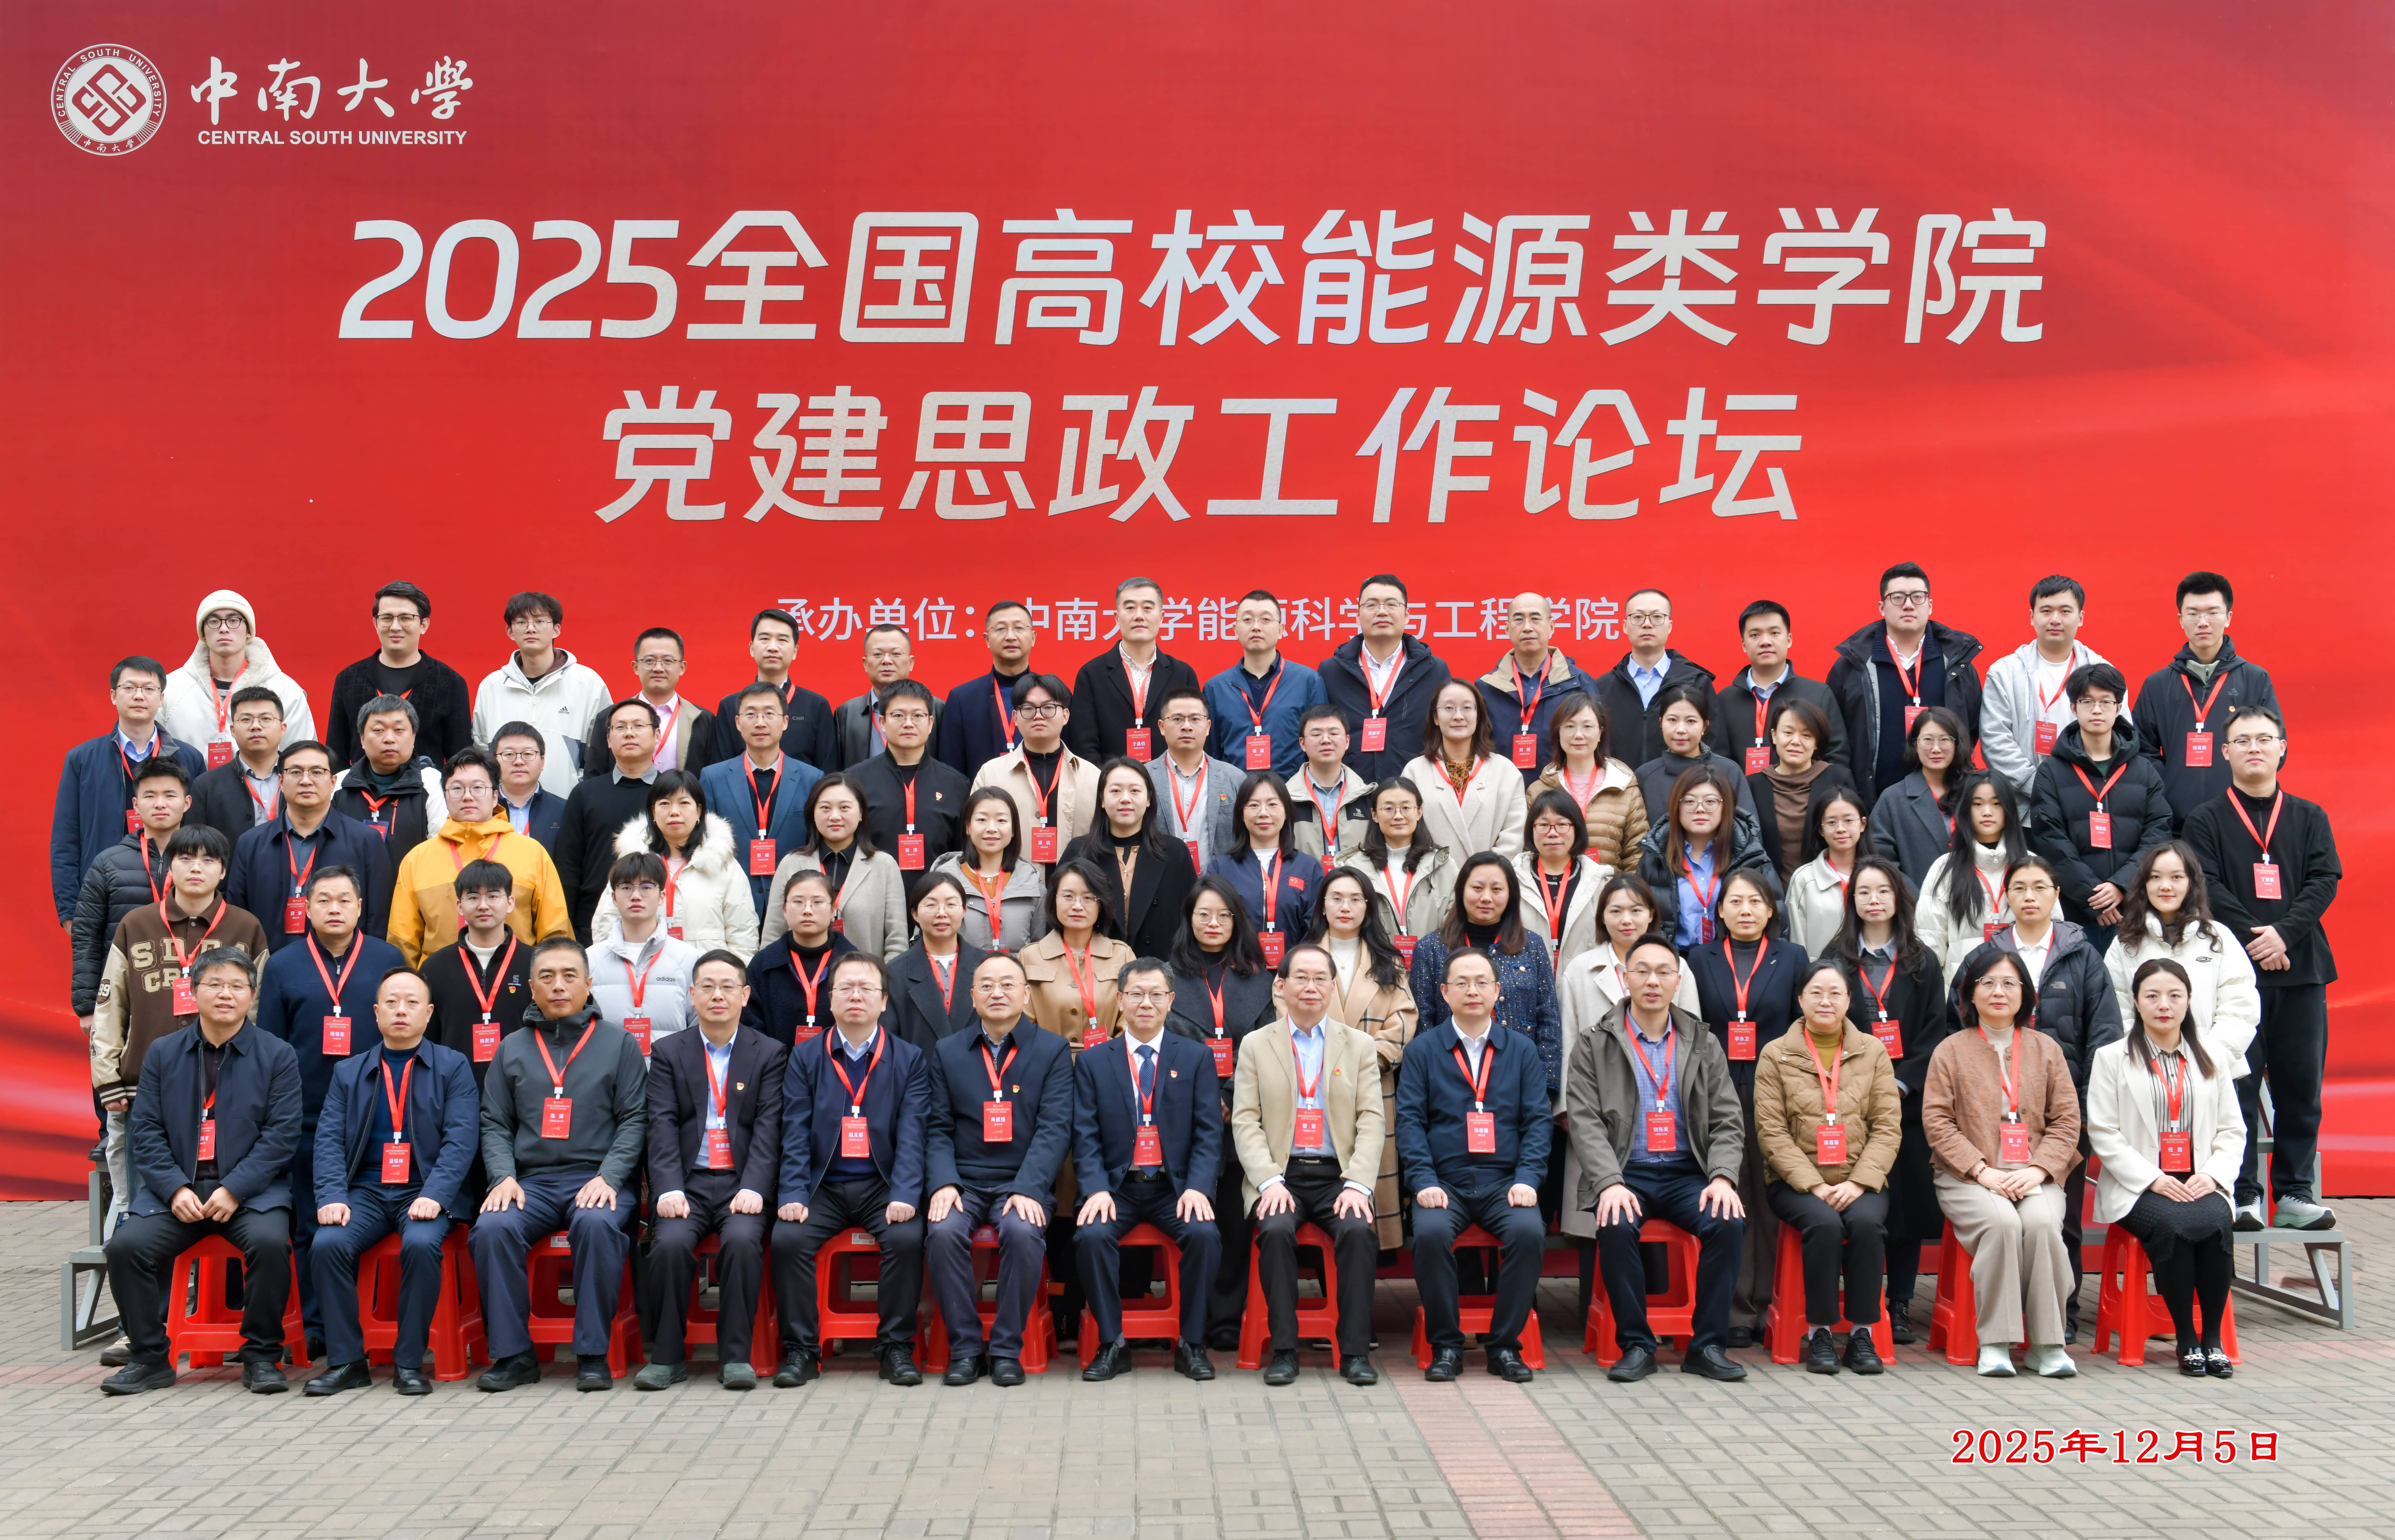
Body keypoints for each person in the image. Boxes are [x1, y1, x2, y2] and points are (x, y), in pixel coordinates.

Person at [98, 950, 302, 1396]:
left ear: (252, 995)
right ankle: (150, 1357)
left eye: (236, 986)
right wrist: (175, 1189)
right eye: (214, 984)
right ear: (194, 992)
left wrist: (235, 1188)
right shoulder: (163, 1052)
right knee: (125, 1248)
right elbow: (146, 1132)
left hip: (250, 1194)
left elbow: (282, 1136)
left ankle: (261, 1355)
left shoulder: (277, 1054)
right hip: (179, 1194)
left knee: (270, 1244)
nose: (225, 994)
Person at [2180, 704, 2340, 1231]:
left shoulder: (2309, 816)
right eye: (2242, 740)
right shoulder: (2204, 820)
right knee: (2237, 1087)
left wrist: (2283, 934)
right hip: (2233, 972)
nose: (2254, 747)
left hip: (2301, 970)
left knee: (2300, 1087)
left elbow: (2323, 880)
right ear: (2224, 752)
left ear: (2281, 748)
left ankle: (2294, 1192)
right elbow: (2205, 885)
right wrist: (2257, 938)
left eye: (2264, 738)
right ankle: (2242, 1192)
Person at [471, 938, 649, 1392]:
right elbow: (494, 1122)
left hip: (597, 1178)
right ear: (531, 987)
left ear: (588, 984)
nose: (558, 986)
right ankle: (514, 1355)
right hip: (530, 1182)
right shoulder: (512, 1048)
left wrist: (610, 1176)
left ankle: (592, 1354)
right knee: (492, 1228)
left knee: (595, 1224)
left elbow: (635, 1119)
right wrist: (502, 1176)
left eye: (570, 975)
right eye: (546, 977)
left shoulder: (619, 1044)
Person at [1566, 936, 1746, 1382]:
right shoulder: (1594, 1043)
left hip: (1689, 1174)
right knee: (1615, 1223)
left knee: (1727, 1222)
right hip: (1626, 1173)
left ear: (1677, 981)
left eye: (1663, 972)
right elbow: (1585, 1122)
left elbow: (1727, 1118)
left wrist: (1722, 1177)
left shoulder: (1702, 1042)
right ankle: (1636, 1344)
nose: (1652, 981)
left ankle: (1706, 1346)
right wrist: (1609, 1182)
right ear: (1624, 978)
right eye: (1642, 971)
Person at [302, 966, 481, 1396]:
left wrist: (436, 1195)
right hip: (365, 1191)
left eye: (412, 1003)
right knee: (327, 1245)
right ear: (376, 1012)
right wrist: (332, 1195)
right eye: (392, 1002)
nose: (401, 1010)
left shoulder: (452, 1066)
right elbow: (327, 1139)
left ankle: (409, 1362)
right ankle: (347, 1361)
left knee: (420, 1244)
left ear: (428, 1013)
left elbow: (462, 1139)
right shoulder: (349, 1072)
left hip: (424, 1189)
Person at [89, 825, 272, 1238]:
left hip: (227, 1089)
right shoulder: (136, 924)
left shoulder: (245, 927)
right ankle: (146, 1276)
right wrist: (108, 1079)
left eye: (208, 859)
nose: (196, 868)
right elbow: (110, 1006)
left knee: (221, 1204)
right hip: (144, 1089)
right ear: (168, 866)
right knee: (147, 1204)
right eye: (185, 858)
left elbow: (259, 1010)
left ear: (223, 871)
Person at [256, 865, 407, 1351]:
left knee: (375, 1219)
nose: (335, 909)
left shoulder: (387, 959)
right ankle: (318, 1325)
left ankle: (377, 1314)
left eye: (344, 900)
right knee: (311, 1221)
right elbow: (271, 1047)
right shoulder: (283, 965)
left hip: (381, 1116)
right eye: (324, 900)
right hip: (307, 1116)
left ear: (361, 907)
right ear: (307, 908)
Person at [1921, 946, 2081, 1377]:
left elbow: (2067, 1120)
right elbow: (1936, 1121)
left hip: (2034, 1173)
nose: (1998, 992)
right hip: (1968, 1175)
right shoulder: (1950, 1050)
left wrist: (2039, 1169)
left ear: (2025, 994)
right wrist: (1981, 1170)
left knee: (2043, 1225)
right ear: (1969, 994)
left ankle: (2047, 1344)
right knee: (2002, 1224)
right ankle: (1994, 1342)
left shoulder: (2046, 1049)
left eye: (2009, 983)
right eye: (1987, 983)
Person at [770, 953, 929, 1386]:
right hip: (823, 1186)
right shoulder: (806, 1056)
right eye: (846, 987)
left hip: (882, 1185)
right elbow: (794, 1131)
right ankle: (802, 1350)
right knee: (787, 1239)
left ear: (884, 1001)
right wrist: (793, 1194)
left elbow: (913, 1133)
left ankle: (895, 1347)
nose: (856, 995)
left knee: (906, 1237)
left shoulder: (908, 1059)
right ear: (831, 998)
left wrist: (905, 1193)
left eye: (866, 988)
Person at [1231, 944, 1384, 1385]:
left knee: (1358, 1233)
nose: (1311, 986)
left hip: (1339, 1177)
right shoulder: (1256, 1044)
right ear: (1280, 985)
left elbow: (1371, 1120)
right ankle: (1284, 1350)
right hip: (1282, 1176)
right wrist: (1268, 1181)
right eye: (1301, 977)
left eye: (1321, 978)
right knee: (1276, 1230)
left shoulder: (1358, 1045)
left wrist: (1358, 1184)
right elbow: (1245, 1120)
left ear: (1333, 987)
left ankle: (1354, 1351)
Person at [2085, 959, 2245, 1378]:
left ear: (2189, 1000)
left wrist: (2212, 1175)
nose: (2164, 1005)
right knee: (2174, 1225)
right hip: (2138, 1185)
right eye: (2152, 996)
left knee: (2215, 1222)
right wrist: (2152, 1178)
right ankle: (2186, 1338)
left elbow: (2232, 1128)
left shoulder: (2211, 1054)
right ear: (2136, 1002)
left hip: (2200, 1178)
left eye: (2174, 996)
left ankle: (2212, 1338)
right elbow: (2103, 1131)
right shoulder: (2111, 1057)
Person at [1399, 947, 1552, 1383]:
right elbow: (1409, 1122)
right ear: (1444, 992)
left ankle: (1504, 1346)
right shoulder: (1423, 1050)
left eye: (1482, 982)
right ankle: (1446, 1345)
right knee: (1430, 1236)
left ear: (1497, 990)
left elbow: (1537, 1122)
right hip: (1443, 1184)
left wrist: (1528, 1179)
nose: (1472, 990)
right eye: (1461, 983)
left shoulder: (1520, 1050)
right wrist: (1423, 1181)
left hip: (1504, 1182)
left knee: (1528, 1233)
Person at [923, 953, 1075, 1386]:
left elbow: (1054, 1127)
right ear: (972, 997)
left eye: (1008, 984)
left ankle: (1007, 1349)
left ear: (1026, 995)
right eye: (986, 985)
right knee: (942, 1232)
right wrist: (944, 1183)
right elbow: (937, 1127)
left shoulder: (1051, 1050)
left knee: (1023, 1233)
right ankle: (966, 1349)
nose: (997, 993)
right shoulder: (948, 1051)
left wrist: (1028, 1187)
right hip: (964, 1181)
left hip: (1021, 1180)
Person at [639, 950, 788, 1391]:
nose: (717, 995)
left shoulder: (769, 1052)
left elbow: (769, 1128)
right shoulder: (669, 1051)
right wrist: (668, 1188)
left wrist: (756, 1187)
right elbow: (661, 1124)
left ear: (745, 995)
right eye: (707, 986)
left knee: (742, 1243)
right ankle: (667, 1357)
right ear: (692, 994)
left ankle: (736, 1356)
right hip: (688, 1183)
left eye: (727, 987)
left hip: (742, 1184)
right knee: (668, 1246)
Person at [1988, 852, 2123, 1335]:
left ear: (2056, 894)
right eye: (2019, 887)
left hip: (2062, 1112)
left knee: (2060, 1214)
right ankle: (2008, 1311)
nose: (2029, 896)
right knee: (2004, 1210)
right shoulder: (1988, 956)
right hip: (1997, 1108)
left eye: (2039, 887)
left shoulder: (2081, 955)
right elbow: (1958, 1027)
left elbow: (2104, 1035)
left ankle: (2061, 1310)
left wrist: (2085, 1106)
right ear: (2006, 896)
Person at [1071, 956, 1223, 1381]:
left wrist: (1198, 1187)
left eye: (1156, 994)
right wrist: (1095, 1188)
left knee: (1204, 1235)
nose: (1146, 1003)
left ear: (1171, 1001)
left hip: (1173, 1188)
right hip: (1117, 1187)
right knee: (1091, 1236)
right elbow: (1084, 1134)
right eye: (1136, 994)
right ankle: (1112, 1343)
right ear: (1119, 1000)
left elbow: (1209, 1132)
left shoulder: (1195, 1057)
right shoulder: (1093, 1061)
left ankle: (1191, 1343)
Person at [1752, 961, 1900, 1373]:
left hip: (1859, 1180)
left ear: (1849, 1001)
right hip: (1795, 1184)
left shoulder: (1872, 1051)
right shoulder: (1776, 1054)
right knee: (1825, 1225)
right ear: (1800, 999)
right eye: (1815, 992)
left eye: (1835, 993)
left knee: (1867, 1225)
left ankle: (1861, 1334)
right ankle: (1819, 1332)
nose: (1825, 1001)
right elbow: (1771, 1131)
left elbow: (1887, 1126)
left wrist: (1859, 1182)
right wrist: (1813, 1185)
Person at [1831, 857, 1956, 1340]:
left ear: (1898, 898)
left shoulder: (1921, 961)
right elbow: (1825, 1025)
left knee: (1903, 1207)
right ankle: (1857, 1300)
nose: (1874, 900)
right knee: (1856, 1204)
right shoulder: (1836, 958)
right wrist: (1858, 1085)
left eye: (1882, 890)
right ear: (1852, 901)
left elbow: (1933, 1031)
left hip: (1906, 1105)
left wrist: (1901, 1083)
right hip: (1848, 1101)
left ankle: (1899, 1301)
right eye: (1863, 892)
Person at [1683, 868, 1809, 1341]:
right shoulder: (1699, 958)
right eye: (1735, 901)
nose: (1745, 910)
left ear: (1771, 908)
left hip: (1774, 1092)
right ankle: (1734, 1311)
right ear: (1719, 910)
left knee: (1769, 1197)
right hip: (1716, 1095)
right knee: (1726, 1195)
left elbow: (1800, 1024)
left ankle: (1769, 1304)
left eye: (1755, 901)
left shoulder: (1791, 956)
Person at [1164, 878, 1279, 1347]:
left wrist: (1230, 1096)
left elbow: (1269, 1049)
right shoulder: (1168, 978)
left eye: (1223, 915)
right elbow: (1161, 1046)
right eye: (1203, 914)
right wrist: (1205, 1100)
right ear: (1188, 919)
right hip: (1181, 1114)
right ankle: (1185, 1315)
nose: (1213, 923)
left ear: (1237, 920)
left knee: (1233, 1218)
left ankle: (1226, 1318)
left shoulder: (1262, 980)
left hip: (1242, 1115)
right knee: (1190, 1215)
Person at [1310, 868, 1419, 1252]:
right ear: (1323, 906)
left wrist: (1363, 1061)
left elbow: (1404, 1019)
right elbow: (1286, 1013)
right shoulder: (1303, 958)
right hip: (1314, 1085)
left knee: (1370, 1174)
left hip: (1373, 1082)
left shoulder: (1389, 962)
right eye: (1337, 898)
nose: (1346, 907)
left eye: (1356, 899)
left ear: (1368, 907)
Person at [53, 656, 206, 928]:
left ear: (161, 698)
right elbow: (66, 838)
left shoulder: (189, 758)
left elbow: (202, 832)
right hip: (105, 895)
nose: (139, 696)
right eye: (129, 688)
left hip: (176, 894)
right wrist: (69, 910)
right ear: (113, 695)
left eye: (148, 689)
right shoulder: (83, 759)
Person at [387, 746, 571, 966]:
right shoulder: (417, 860)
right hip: (440, 982)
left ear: (495, 796)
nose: (467, 797)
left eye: (477, 788)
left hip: (518, 979)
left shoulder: (532, 853)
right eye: (457, 789)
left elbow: (555, 932)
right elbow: (403, 942)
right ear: (445, 796)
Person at [2133, 572, 2282, 829]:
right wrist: (2170, 788)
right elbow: (2141, 750)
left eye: (2212, 613)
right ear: (2181, 619)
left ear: (2228, 617)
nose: (2203, 622)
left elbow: (2275, 747)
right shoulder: (2157, 685)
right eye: (2193, 614)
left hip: (2241, 822)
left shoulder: (2254, 679)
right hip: (2175, 826)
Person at [1827, 563, 1985, 807]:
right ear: (1882, 607)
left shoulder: (1957, 664)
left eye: (1918, 597)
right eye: (1898, 597)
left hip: (1946, 803)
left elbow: (1971, 728)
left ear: (1930, 605)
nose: (1909, 605)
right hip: (1871, 802)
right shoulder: (1852, 666)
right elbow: (1834, 736)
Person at [2103, 842, 2261, 1080]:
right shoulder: (2125, 944)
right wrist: (2147, 1060)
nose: (2165, 886)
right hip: (2145, 1074)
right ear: (2144, 884)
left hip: (2212, 1071)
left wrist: (2206, 1059)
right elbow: (2116, 1011)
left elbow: (2240, 1008)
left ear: (2191, 883)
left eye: (2176, 877)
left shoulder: (2218, 938)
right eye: (2155, 877)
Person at [2031, 663, 2171, 929]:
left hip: (2135, 907)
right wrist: (2093, 897)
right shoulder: (2051, 771)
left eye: (2106, 702)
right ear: (2074, 708)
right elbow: (2049, 839)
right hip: (2075, 911)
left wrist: (2122, 886)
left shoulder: (2143, 770)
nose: (2097, 710)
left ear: (2119, 708)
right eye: (2087, 702)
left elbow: (2158, 832)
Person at [71, 758, 189, 1067]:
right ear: (136, 805)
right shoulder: (108, 863)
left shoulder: (204, 860)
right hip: (125, 995)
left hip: (191, 994)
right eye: (150, 796)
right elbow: (86, 935)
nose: (160, 804)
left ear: (187, 803)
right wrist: (87, 1005)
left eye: (170, 795)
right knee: (119, 1079)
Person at [229, 740, 394, 953]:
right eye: (296, 772)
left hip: (345, 965)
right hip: (267, 965)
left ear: (333, 782)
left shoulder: (366, 841)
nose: (306, 781)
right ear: (281, 781)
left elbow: (379, 918)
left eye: (317, 772)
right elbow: (238, 917)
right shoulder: (251, 843)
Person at [588, 769, 759, 957]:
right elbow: (607, 924)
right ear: (653, 812)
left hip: (708, 972)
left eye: (684, 803)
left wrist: (734, 974)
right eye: (665, 804)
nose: (675, 812)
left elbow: (743, 934)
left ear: (699, 811)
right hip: (644, 971)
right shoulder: (631, 864)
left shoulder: (723, 864)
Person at [698, 683, 828, 920]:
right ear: (738, 723)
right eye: (751, 714)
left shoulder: (812, 778)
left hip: (796, 904)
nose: (760, 722)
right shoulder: (713, 778)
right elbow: (705, 845)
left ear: (785, 722)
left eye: (769, 714)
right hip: (732, 903)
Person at [470, 591, 615, 794]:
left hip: (570, 803)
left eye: (540, 622)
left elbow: (604, 749)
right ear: (510, 632)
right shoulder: (491, 686)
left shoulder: (588, 683)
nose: (531, 628)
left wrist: (581, 794)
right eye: (522, 622)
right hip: (504, 806)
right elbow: (482, 750)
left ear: (556, 629)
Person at [1981, 576, 2113, 797]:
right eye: (2046, 611)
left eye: (2065, 611)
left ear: (2080, 618)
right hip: (2025, 805)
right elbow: (1994, 739)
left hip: (2088, 796)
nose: (2055, 619)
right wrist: (2040, 787)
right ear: (2032, 617)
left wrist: (2088, 787)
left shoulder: (2103, 672)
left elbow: (2121, 734)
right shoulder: (2004, 673)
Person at [325, 581, 474, 772]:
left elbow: (460, 759)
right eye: (387, 618)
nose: (395, 627)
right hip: (360, 790)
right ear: (376, 623)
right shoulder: (348, 680)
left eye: (406, 618)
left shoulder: (450, 682)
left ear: (424, 625)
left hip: (426, 789)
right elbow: (336, 755)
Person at [1319, 574, 1453, 782]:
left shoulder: (1434, 670)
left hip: (1415, 790)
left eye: (1392, 604)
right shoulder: (1332, 671)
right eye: (1371, 605)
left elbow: (1448, 736)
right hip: (1349, 791)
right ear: (1357, 616)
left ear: (1407, 615)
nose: (1382, 612)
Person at [159, 590, 318, 765]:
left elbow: (304, 760)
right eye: (214, 621)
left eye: (234, 621)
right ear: (203, 633)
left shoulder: (286, 691)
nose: (224, 628)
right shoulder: (170, 689)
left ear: (249, 631)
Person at [760, 773, 908, 960]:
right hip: (799, 976)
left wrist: (882, 978)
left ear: (861, 813)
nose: (835, 816)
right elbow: (772, 935)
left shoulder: (884, 866)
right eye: (826, 808)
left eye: (845, 808)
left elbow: (897, 942)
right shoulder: (792, 864)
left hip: (864, 977)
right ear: (813, 814)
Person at [1062, 757, 1197, 959]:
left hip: (1160, 969)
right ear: (1102, 800)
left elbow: (1191, 920)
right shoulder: (1079, 851)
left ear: (1149, 799)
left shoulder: (1175, 852)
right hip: (1092, 968)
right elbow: (1057, 915)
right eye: (1116, 791)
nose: (1125, 799)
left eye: (1135, 791)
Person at [555, 699, 663, 940]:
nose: (629, 733)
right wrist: (567, 927)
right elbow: (568, 865)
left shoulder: (672, 794)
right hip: (593, 922)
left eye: (638, 726)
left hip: (661, 919)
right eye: (620, 727)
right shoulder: (585, 793)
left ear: (657, 735)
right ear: (608, 739)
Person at [1067, 577, 1202, 763]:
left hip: (1171, 778)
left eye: (1147, 608)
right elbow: (1084, 745)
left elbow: (1196, 737)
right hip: (1110, 779)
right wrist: (1107, 780)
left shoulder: (1183, 674)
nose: (1139, 616)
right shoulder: (1091, 675)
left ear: (1162, 617)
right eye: (1130, 608)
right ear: (1117, 618)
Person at [1633, 764, 1769, 947]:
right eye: (1690, 802)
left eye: (1711, 802)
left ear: (1726, 806)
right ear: (1677, 806)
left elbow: (1776, 921)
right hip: (1673, 959)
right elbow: (1640, 921)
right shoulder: (1655, 858)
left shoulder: (1751, 855)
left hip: (1733, 958)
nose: (1700, 809)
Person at [972, 673, 1100, 866]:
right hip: (1010, 882)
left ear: (1066, 716)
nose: (1038, 715)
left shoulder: (1093, 776)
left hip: (1077, 883)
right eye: (1029, 709)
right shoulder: (990, 775)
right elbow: (974, 838)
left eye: (1049, 708)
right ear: (1015, 717)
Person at [1710, 599, 1849, 773]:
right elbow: (1716, 760)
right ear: (1744, 645)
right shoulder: (1725, 700)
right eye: (1755, 635)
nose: (1765, 642)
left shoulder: (1819, 695)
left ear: (1789, 640)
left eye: (1775, 633)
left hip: (1804, 791)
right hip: (1740, 791)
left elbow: (1837, 759)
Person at [1476, 592, 1602, 783]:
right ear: (1507, 629)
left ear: (1551, 627)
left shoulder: (1579, 684)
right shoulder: (1486, 687)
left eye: (1535, 619)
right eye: (1519, 620)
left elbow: (1598, 747)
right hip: (1502, 793)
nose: (1527, 627)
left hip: (1562, 794)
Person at [420, 859, 537, 1065]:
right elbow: (427, 1039)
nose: (483, 906)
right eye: (473, 897)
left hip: (521, 1080)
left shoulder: (534, 964)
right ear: (460, 906)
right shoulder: (435, 968)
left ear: (510, 903)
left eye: (493, 896)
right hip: (454, 1082)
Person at [848, 679, 971, 871]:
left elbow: (964, 855)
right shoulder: (855, 782)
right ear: (883, 723)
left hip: (939, 889)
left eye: (918, 716)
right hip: (874, 888)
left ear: (930, 724)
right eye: (898, 716)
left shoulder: (956, 784)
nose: (908, 724)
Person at [1916, 771, 2026, 984]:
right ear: (1966, 810)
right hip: (1961, 992)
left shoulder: (2030, 867)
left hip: (2021, 991)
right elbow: (1929, 942)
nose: (1987, 812)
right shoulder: (1945, 868)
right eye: (1977, 804)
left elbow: (2051, 933)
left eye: (1996, 804)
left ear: (2009, 809)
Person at [1403, 679, 1529, 864]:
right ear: (1436, 718)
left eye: (1467, 708)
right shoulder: (1414, 772)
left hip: (1490, 878)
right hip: (1431, 877)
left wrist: (1486, 872)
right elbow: (1406, 832)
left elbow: (1514, 835)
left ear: (1479, 716)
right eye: (1449, 708)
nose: (1458, 716)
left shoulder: (1505, 771)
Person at [587, 853, 702, 1054]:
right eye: (626, 887)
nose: (636, 896)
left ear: (662, 897)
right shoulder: (591, 959)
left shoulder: (688, 959)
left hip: (670, 1070)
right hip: (609, 1070)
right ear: (613, 897)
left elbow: (698, 1026)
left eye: (647, 887)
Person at [1204, 590, 1326, 779]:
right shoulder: (1216, 688)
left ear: (1281, 630)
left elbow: (1319, 745)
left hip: (1291, 792)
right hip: (1236, 792)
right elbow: (1212, 754)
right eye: (1248, 620)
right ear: (1235, 630)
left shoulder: (1308, 681)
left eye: (1266, 620)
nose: (1256, 627)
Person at [696, 609, 834, 773]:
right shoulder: (730, 706)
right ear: (752, 648)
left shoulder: (817, 706)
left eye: (782, 640)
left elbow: (828, 774)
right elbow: (722, 772)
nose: (773, 647)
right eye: (765, 639)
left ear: (795, 651)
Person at [1019, 860, 1135, 1053]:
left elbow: (1133, 1018)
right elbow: (1021, 1022)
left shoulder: (1122, 956)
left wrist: (1113, 1052)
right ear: (1054, 900)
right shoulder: (1029, 957)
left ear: (1101, 905)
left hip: (1106, 1062)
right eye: (1068, 896)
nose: (1078, 906)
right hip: (1047, 1064)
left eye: (1088, 898)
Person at [1206, 773, 1325, 959]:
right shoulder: (1221, 869)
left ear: (1287, 812)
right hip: (1235, 969)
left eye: (1272, 805)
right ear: (1241, 814)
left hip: (1295, 970)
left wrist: (1294, 966)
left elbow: (1316, 928)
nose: (1263, 813)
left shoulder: (1309, 868)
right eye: (1254, 805)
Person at [1595, 588, 1716, 770]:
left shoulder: (1696, 683)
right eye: (1638, 617)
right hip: (1618, 786)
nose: (1647, 624)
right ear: (1625, 626)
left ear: (1670, 626)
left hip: (1683, 784)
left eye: (1657, 617)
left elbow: (1715, 746)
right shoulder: (1603, 688)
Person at [1531, 692, 1649, 870]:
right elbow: (1529, 852)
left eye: (1587, 727)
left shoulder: (1624, 787)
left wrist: (1623, 889)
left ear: (1600, 733)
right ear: (1558, 732)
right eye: (1570, 727)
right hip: (1553, 886)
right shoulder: (1539, 790)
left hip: (1610, 887)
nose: (1579, 735)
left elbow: (1636, 855)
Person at [741, 871, 859, 1046]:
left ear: (833, 911)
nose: (808, 911)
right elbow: (750, 1026)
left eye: (818, 903)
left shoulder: (856, 965)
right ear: (784, 910)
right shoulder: (763, 965)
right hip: (774, 1063)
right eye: (798, 902)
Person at [332, 694, 450, 866]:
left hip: (411, 882)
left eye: (399, 730)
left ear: (414, 737)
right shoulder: (339, 783)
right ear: (363, 739)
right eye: (379, 730)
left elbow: (439, 849)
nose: (389, 739)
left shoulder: (432, 782)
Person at [1747, 698, 1858, 881]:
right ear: (1774, 736)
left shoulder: (1838, 779)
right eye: (1788, 733)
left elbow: (1856, 840)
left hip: (1829, 889)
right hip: (1768, 891)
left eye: (1807, 735)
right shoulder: (1753, 786)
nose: (1796, 741)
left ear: (1817, 743)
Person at [930, 788, 1048, 952]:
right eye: (982, 820)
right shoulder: (943, 882)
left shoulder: (1032, 884)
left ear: (1014, 830)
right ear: (968, 828)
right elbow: (928, 944)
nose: (992, 828)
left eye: (1001, 820)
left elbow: (1040, 950)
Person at [1342, 778, 1453, 949]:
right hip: (1374, 962)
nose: (1398, 816)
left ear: (1420, 812)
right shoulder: (1354, 868)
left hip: (1434, 963)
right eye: (1389, 809)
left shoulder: (1444, 865)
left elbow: (1455, 923)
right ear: (1375, 815)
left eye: (1406, 808)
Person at [1634, 682, 1761, 830]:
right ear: (1661, 723)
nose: (1681, 730)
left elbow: (1750, 832)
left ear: (1705, 726)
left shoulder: (1729, 771)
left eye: (1691, 721)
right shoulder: (1645, 776)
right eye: (1673, 720)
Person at [938, 598, 1037, 782]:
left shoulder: (1052, 696)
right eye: (1001, 629)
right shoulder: (962, 699)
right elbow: (951, 771)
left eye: (1019, 628)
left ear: (1033, 638)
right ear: (987, 640)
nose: (1010, 636)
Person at [1868, 706, 1966, 888]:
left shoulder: (1975, 792)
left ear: (1957, 744)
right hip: (1915, 900)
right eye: (1927, 740)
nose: (1936, 749)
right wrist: (1915, 898)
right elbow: (1881, 860)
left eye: (1945, 740)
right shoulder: (1894, 799)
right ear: (1915, 745)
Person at [887, 873, 988, 1049]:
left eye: (951, 905)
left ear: (964, 911)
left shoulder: (987, 966)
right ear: (915, 914)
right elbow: (889, 1042)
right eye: (931, 905)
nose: (942, 914)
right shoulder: (895, 973)